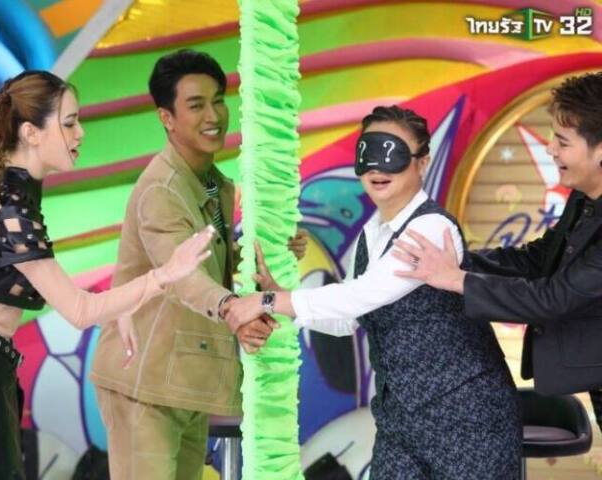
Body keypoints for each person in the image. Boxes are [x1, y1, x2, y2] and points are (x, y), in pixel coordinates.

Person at [0, 70, 214, 480]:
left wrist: (122, 307)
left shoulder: (6, 187)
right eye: (69, 123)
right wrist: (165, 274)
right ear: (31, 133)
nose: (80, 133)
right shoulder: (11, 208)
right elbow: (79, 310)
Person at [226, 106, 522, 479]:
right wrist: (281, 297)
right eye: (368, 153)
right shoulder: (371, 234)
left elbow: (362, 295)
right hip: (399, 418)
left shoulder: (431, 227)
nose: (378, 167)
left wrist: (268, 301)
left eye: (392, 154)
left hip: (465, 414)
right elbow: (349, 318)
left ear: (423, 162)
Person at [89, 49, 306, 480]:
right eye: (196, 105)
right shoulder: (162, 190)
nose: (213, 115)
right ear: (166, 118)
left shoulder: (214, 184)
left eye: (218, 100)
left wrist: (274, 252)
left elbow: (211, 263)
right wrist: (232, 308)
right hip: (144, 384)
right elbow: (181, 276)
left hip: (185, 381)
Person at [392, 72, 602, 434]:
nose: (551, 149)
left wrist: (457, 279)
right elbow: (539, 260)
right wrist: (457, 261)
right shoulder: (585, 199)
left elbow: (553, 299)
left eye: (563, 141)